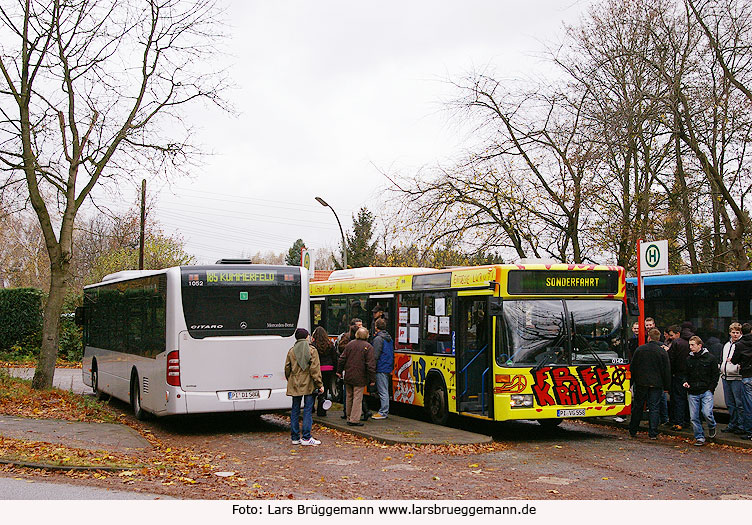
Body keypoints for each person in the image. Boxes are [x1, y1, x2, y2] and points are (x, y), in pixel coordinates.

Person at [629, 328, 671, 439]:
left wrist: (630, 383)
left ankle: (633, 429)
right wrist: (667, 386)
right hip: (656, 384)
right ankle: (653, 432)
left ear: (649, 338)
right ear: (658, 339)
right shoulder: (662, 352)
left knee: (638, 406)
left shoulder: (640, 350)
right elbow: (666, 370)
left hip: (641, 383)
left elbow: (633, 368)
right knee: (654, 408)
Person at [284, 328, 323, 446]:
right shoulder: (312, 350)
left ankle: (295, 437)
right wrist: (319, 384)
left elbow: (287, 368)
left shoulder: (291, 351)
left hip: (295, 383)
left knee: (295, 409)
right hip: (308, 383)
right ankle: (306, 437)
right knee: (307, 410)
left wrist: (290, 379)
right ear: (307, 337)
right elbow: (315, 369)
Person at [684, 336, 719, 446]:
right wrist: (686, 381)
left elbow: (715, 375)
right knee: (694, 417)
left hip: (705, 390)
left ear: (700, 345)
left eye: (693, 345)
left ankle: (712, 426)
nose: (691, 347)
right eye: (690, 345)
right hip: (693, 390)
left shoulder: (710, 358)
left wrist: (711, 388)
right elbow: (685, 373)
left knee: (707, 412)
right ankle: (699, 437)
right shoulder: (688, 359)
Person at [337, 327, 376, 426]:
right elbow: (370, 365)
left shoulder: (350, 344)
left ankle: (349, 416)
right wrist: (372, 379)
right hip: (360, 376)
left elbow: (342, 359)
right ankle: (354, 420)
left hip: (349, 375)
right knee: (357, 398)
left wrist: (339, 371)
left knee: (349, 396)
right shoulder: (368, 347)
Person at [720, 323, 745, 434]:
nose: (735, 334)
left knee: (739, 403)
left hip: (737, 377)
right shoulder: (726, 345)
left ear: (741, 333)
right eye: (733, 332)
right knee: (729, 403)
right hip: (725, 376)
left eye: (737, 332)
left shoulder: (742, 345)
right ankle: (732, 423)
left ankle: (741, 425)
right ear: (730, 332)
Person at [729, 322, 752, 440]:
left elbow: (734, 360)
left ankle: (749, 431)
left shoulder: (740, 344)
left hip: (747, 375)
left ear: (742, 332)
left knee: (748, 404)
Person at [666, 325, 690, 430]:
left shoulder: (677, 343)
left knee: (677, 399)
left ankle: (678, 422)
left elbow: (671, 359)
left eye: (671, 335)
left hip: (677, 374)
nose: (670, 337)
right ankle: (686, 420)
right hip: (686, 374)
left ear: (678, 334)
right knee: (684, 399)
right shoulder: (689, 342)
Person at [371, 318, 394, 420]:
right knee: (384, 389)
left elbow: (375, 355)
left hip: (381, 367)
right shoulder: (389, 338)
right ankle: (384, 410)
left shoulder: (378, 339)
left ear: (376, 327)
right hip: (387, 366)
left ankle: (383, 412)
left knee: (383, 390)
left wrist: (372, 368)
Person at [312, 326, 335, 416]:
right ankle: (322, 410)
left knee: (314, 389)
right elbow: (334, 357)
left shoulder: (313, 346)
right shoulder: (330, 345)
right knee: (324, 390)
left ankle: (312, 407)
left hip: (317, 369)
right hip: (328, 369)